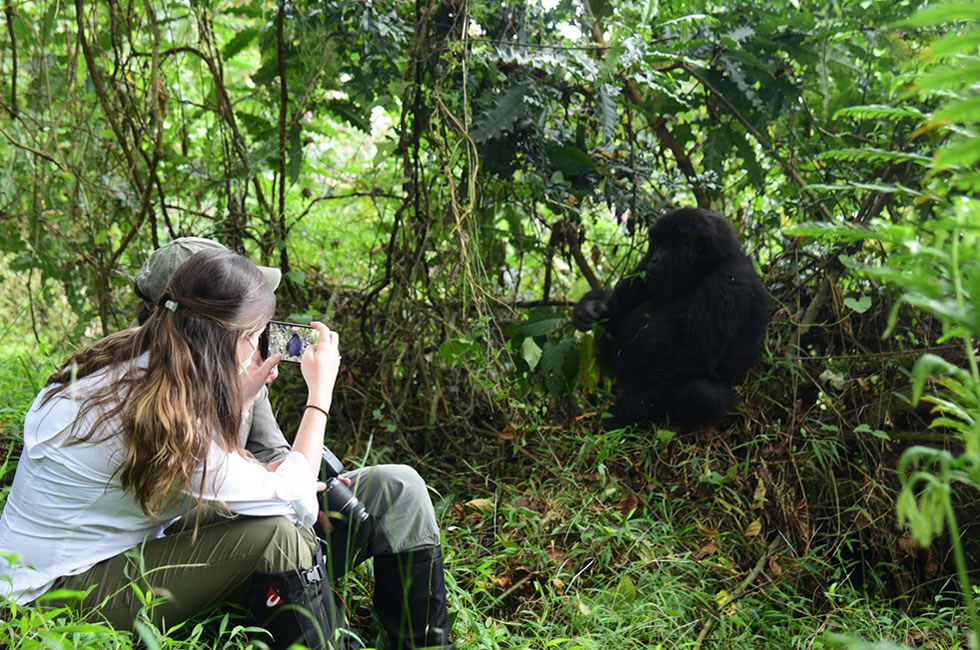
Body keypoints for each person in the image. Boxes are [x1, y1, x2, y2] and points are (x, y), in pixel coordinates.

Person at [0, 246, 447, 650]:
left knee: (399, 488)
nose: (261, 343)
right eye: (255, 334)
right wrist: (320, 395)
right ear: (226, 338)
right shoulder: (155, 416)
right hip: (57, 594)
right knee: (280, 536)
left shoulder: (151, 366)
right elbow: (293, 501)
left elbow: (247, 470)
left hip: (138, 543)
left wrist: (244, 394)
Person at [133, 237, 453, 650]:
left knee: (400, 488)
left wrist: (312, 483)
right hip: (204, 547)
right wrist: (311, 412)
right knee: (281, 522)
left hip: (268, 514)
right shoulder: (139, 385)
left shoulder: (240, 360)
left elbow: (274, 452)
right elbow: (171, 500)